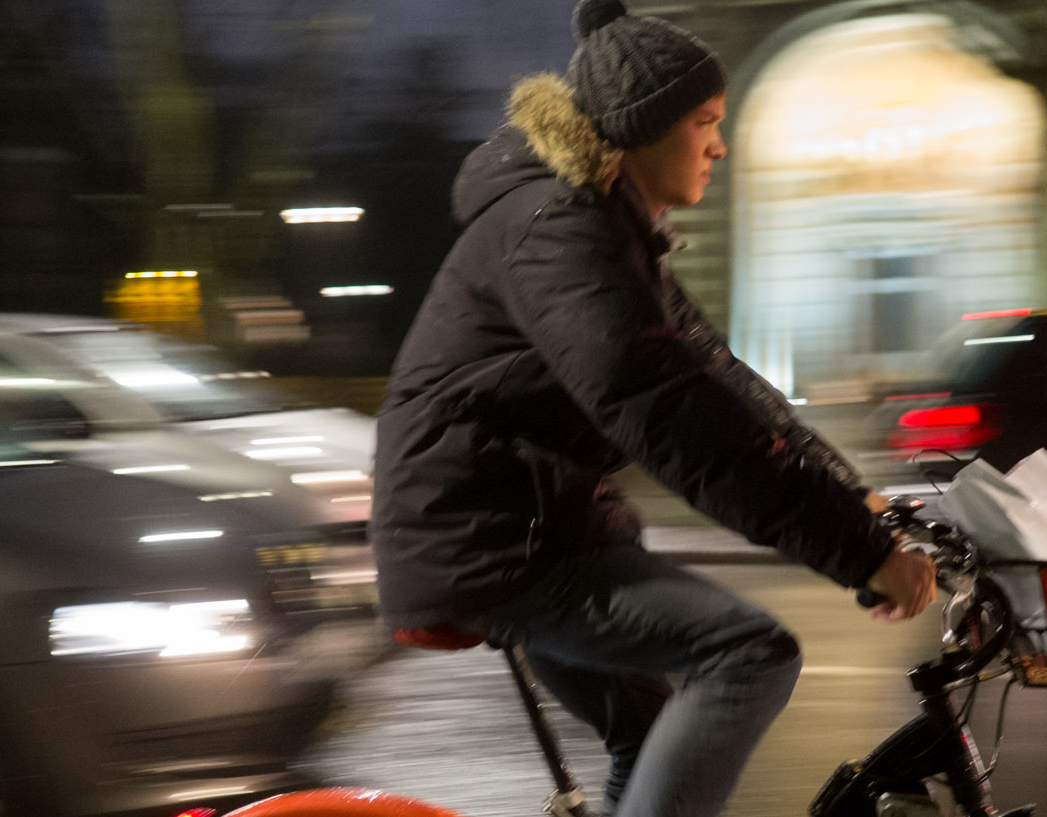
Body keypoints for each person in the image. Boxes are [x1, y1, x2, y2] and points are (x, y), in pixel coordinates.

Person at [367, 2, 938, 817]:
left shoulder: (609, 227)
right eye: (703, 121)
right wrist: (854, 551)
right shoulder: (558, 230)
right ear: (639, 129)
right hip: (492, 543)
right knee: (747, 652)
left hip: (538, 529)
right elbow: (667, 411)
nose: (719, 143)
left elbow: (721, 378)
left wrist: (854, 498)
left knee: (653, 728)